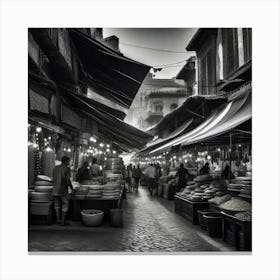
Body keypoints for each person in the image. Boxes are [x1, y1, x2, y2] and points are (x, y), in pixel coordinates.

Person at [52, 156, 74, 226]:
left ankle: (58, 220)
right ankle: (62, 222)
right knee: (65, 204)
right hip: (62, 189)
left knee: (57, 205)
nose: (69, 162)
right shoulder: (67, 169)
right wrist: (72, 188)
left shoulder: (55, 168)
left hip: (55, 189)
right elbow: (68, 180)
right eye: (68, 161)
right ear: (65, 161)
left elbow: (53, 178)